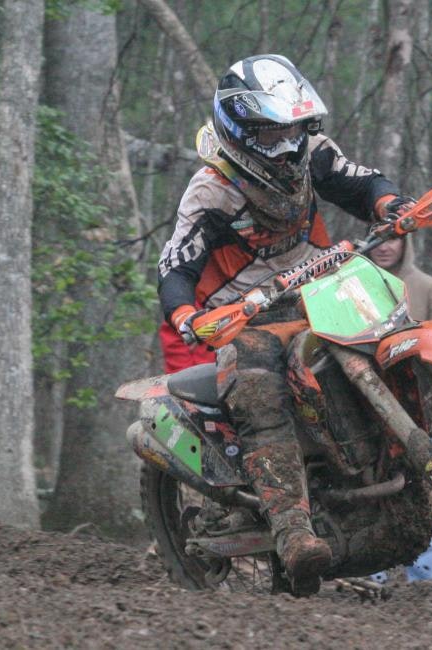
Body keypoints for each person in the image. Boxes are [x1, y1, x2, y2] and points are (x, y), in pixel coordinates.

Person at [157, 54, 407, 596]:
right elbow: (175, 265)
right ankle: (294, 532)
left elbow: (356, 182)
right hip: (247, 316)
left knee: (391, 330)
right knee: (259, 390)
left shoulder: (310, 152)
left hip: (318, 289)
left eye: (292, 128)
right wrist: (185, 315)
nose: (286, 143)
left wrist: (390, 203)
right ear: (239, 131)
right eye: (271, 133)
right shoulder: (211, 190)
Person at [365, 228, 432, 583]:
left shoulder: (430, 290)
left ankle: (424, 580)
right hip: (369, 415)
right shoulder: (350, 291)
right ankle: (371, 574)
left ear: (406, 242)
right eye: (377, 238)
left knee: (422, 493)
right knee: (372, 494)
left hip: (421, 414)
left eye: (392, 237)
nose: (385, 246)